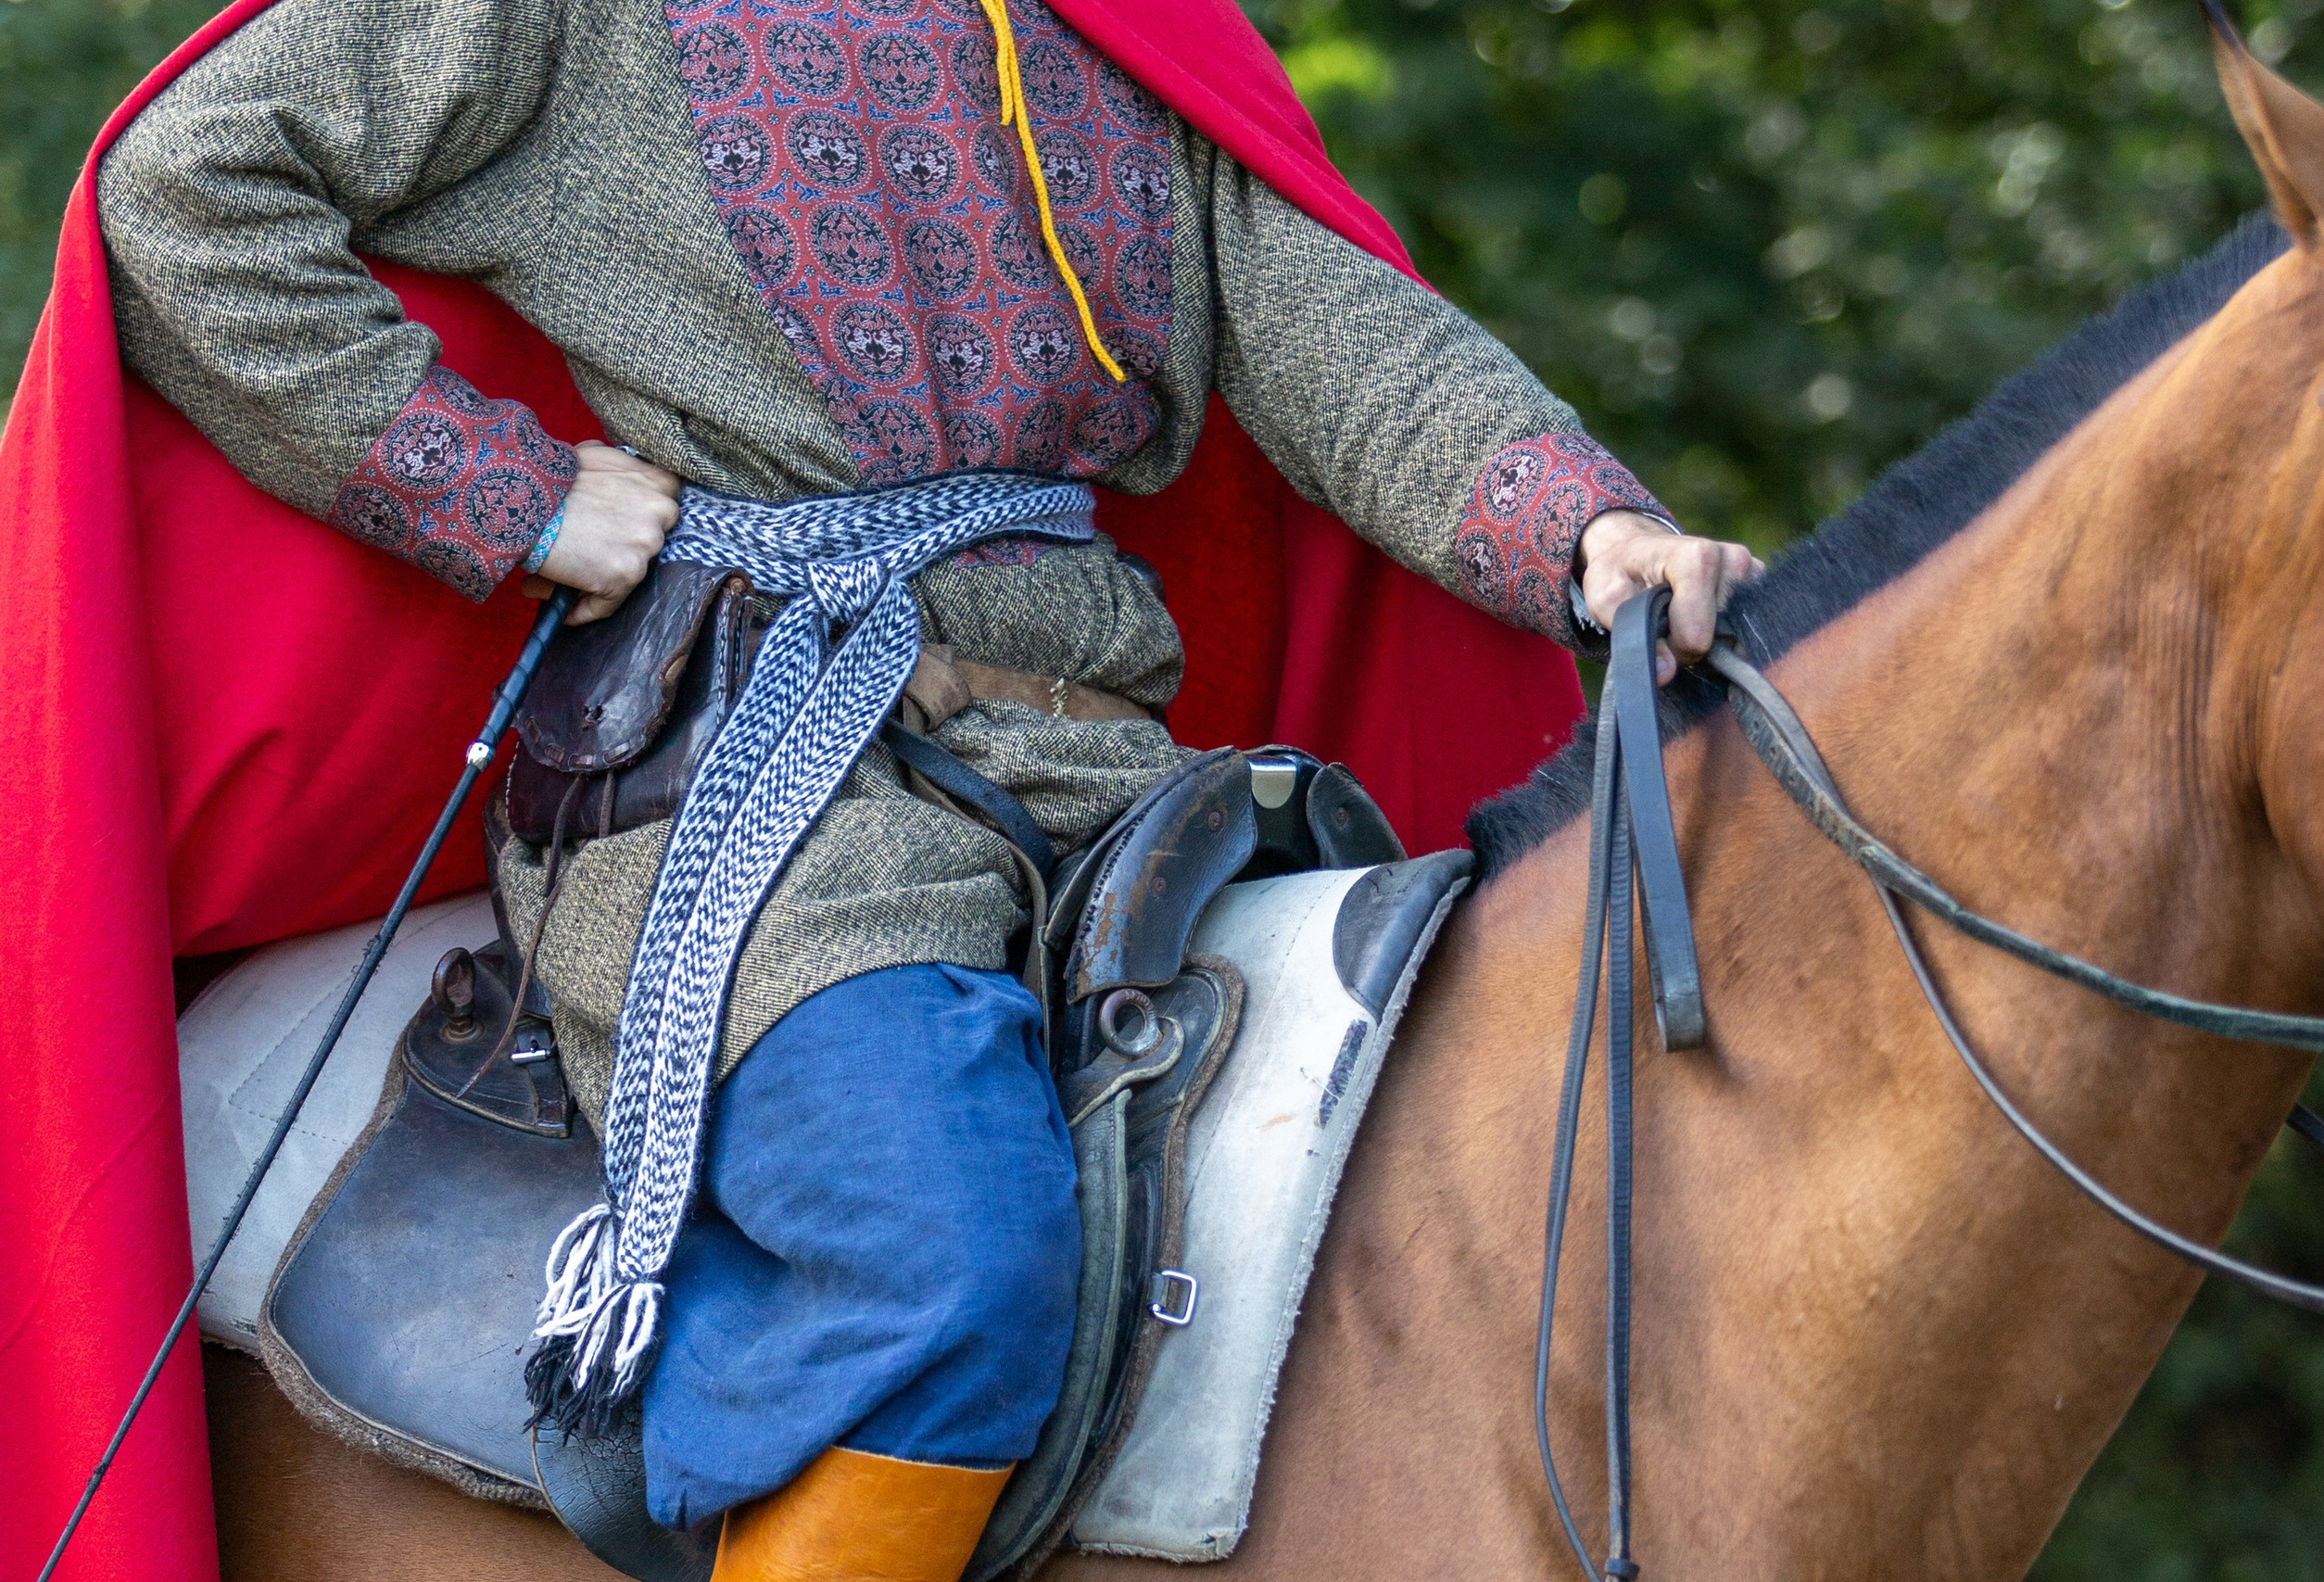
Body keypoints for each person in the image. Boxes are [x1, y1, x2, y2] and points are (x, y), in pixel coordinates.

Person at [95, 0, 1760, 1574]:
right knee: (943, 1253)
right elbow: (187, 186)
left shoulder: (1118, 31)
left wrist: (1589, 528)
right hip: (756, 776)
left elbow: (1337, 333)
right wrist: (507, 492)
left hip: (1106, 768)